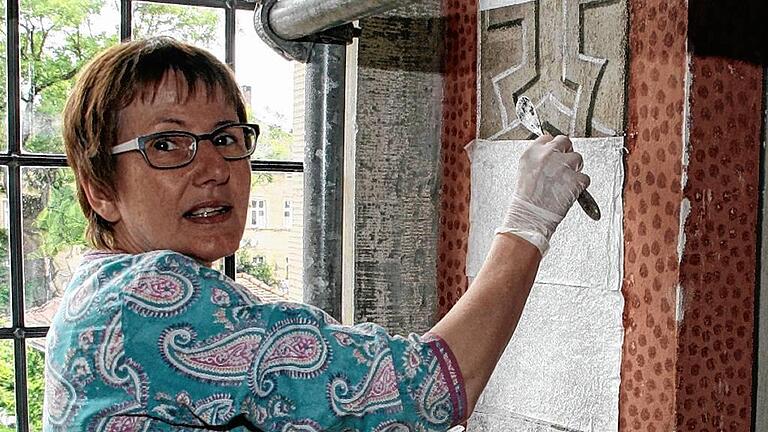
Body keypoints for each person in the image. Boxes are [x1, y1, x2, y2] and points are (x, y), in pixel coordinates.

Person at [43, 37, 589, 431]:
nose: (213, 167)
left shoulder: (96, 288)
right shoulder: (151, 296)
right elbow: (432, 388)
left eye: (227, 137)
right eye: (167, 144)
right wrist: (527, 220)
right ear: (99, 190)